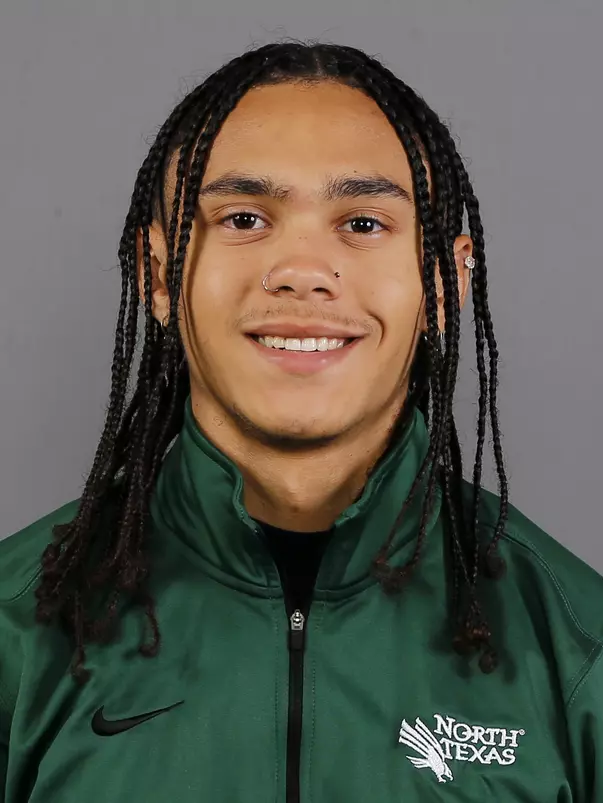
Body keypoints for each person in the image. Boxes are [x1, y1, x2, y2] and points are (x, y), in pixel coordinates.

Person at [0, 41, 600, 803]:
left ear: (445, 280)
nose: (303, 268)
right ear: (157, 274)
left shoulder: (579, 647)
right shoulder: (16, 633)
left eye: (363, 222)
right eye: (245, 217)